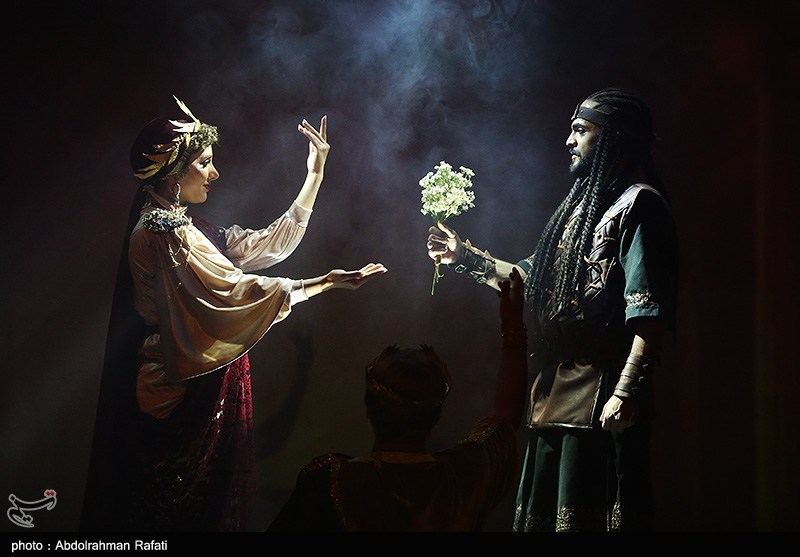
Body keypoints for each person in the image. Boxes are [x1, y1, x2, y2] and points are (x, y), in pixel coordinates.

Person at [80, 96, 387, 532]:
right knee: (180, 513)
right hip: (180, 394)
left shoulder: (186, 226)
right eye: (204, 163)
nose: (215, 173)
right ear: (173, 172)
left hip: (198, 384)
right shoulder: (163, 233)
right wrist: (324, 283)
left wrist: (314, 175)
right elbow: (235, 292)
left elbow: (266, 245)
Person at [426, 88, 678, 531]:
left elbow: (649, 313)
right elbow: (529, 278)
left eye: (581, 130)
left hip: (602, 400)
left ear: (613, 138)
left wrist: (625, 392)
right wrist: (463, 256)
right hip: (551, 396)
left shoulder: (640, 205)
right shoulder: (578, 209)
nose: (568, 140)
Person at [267, 268, 528, 532]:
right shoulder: (463, 477)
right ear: (437, 414)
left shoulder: (330, 482)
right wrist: (513, 327)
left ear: (368, 406)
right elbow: (506, 417)